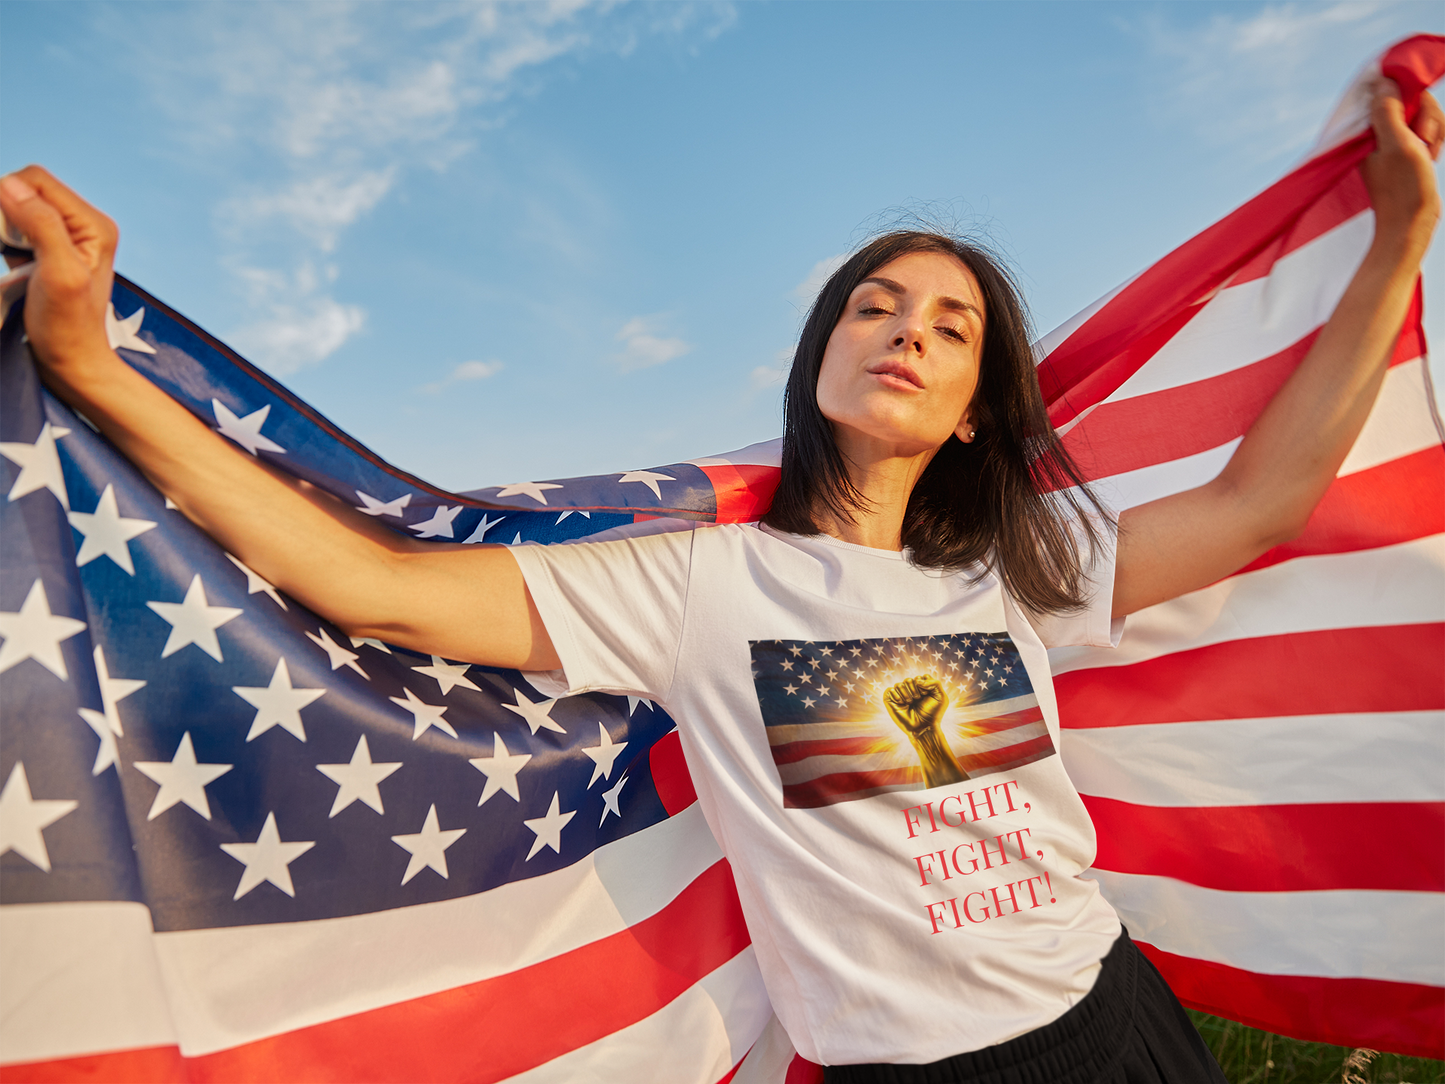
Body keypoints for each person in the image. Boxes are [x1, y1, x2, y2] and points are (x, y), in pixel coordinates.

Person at [1, 81, 1438, 1083]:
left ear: (978, 409)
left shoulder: (1013, 579)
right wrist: (90, 369)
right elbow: (376, 587)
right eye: (874, 305)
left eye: (950, 326)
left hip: (1109, 1010)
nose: (908, 332)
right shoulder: (703, 586)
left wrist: (1399, 241)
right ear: (818, 356)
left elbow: (1262, 504)